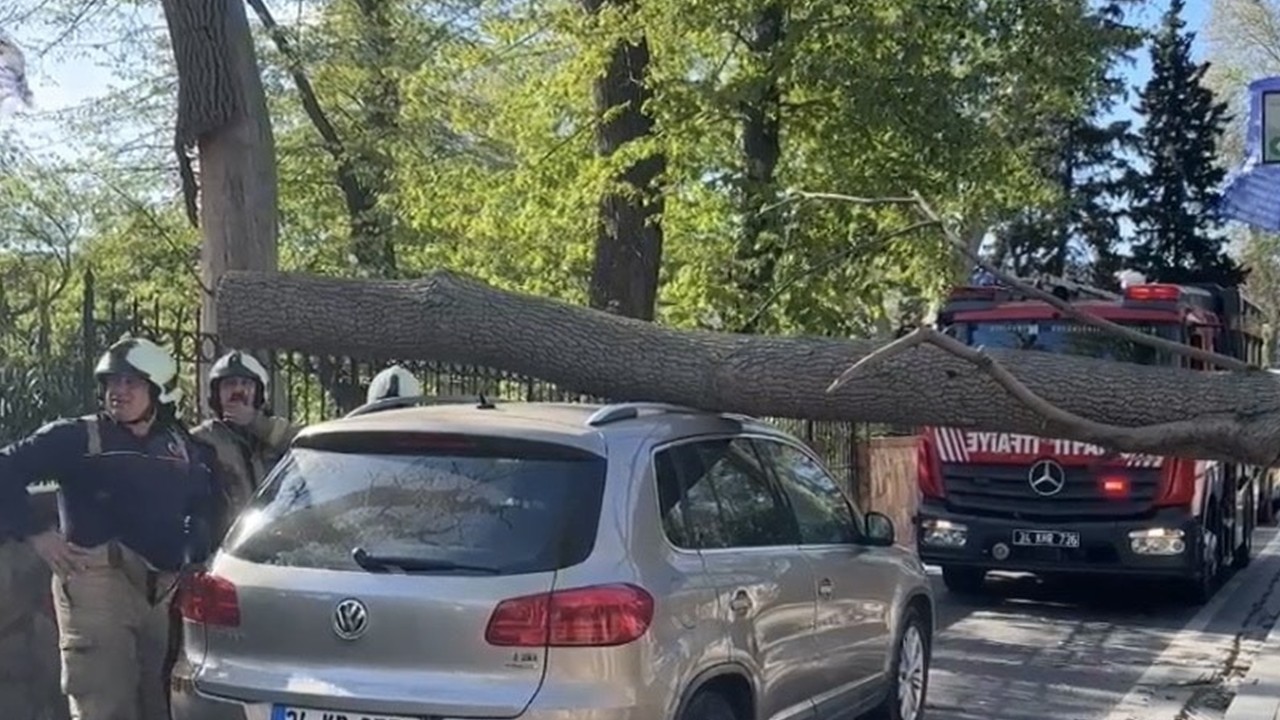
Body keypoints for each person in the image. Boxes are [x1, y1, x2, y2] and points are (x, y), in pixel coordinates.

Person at [0, 335, 219, 720]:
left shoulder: (184, 446)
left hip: (165, 590)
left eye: (131, 382)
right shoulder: (74, 436)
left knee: (164, 704)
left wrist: (197, 550)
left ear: (159, 390)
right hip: (95, 583)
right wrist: (35, 532)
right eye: (112, 382)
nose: (118, 390)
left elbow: (207, 501)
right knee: (105, 702)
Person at [192, 350, 301, 541]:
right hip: (225, 547)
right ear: (216, 394)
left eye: (246, 384)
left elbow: (306, 443)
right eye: (229, 384)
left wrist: (255, 422)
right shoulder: (200, 440)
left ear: (258, 393)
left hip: (272, 541)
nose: (238, 390)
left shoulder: (272, 432)